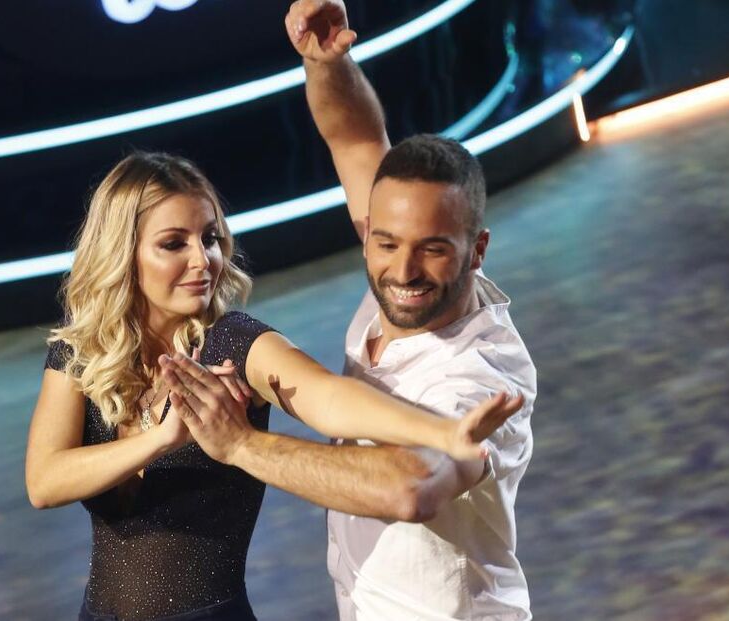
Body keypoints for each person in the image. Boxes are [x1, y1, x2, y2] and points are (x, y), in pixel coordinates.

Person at [158, 1, 537, 619]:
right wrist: (326, 61)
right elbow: (357, 138)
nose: (405, 272)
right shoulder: (395, 270)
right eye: (385, 243)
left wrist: (240, 447)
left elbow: (410, 487)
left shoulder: (479, 374)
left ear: (477, 251)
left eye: (433, 251)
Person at [25, 151, 523, 621]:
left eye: (211, 238)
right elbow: (44, 482)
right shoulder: (82, 350)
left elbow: (330, 398)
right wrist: (161, 438)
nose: (203, 261)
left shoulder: (235, 343)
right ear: (122, 253)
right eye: (174, 243)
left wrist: (441, 432)